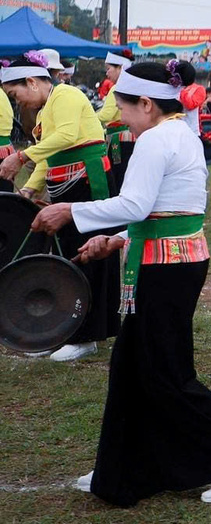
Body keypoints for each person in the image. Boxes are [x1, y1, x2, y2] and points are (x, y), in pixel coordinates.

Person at [30, 60, 211, 506]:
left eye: (122, 107)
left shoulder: (156, 139)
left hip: (167, 267)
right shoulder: (181, 132)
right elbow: (171, 206)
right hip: (171, 260)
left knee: (165, 372)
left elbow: (136, 204)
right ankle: (125, 467)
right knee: (132, 367)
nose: (119, 117)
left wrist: (70, 211)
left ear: (145, 104)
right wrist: (115, 239)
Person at [0, 50, 120, 361]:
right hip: (67, 186)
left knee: (88, 254)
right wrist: (30, 189)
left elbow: (66, 137)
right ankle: (69, 329)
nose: (18, 103)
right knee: (68, 256)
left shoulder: (66, 95)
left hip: (88, 182)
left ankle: (87, 335)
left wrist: (21, 156)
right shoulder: (45, 111)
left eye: (16, 95)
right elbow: (49, 155)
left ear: (31, 82)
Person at [95, 50, 138, 192]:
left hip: (118, 139)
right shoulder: (133, 86)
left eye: (109, 69)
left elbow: (106, 115)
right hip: (132, 136)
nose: (107, 73)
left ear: (120, 67)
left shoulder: (117, 87)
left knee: (118, 176)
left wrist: (89, 118)